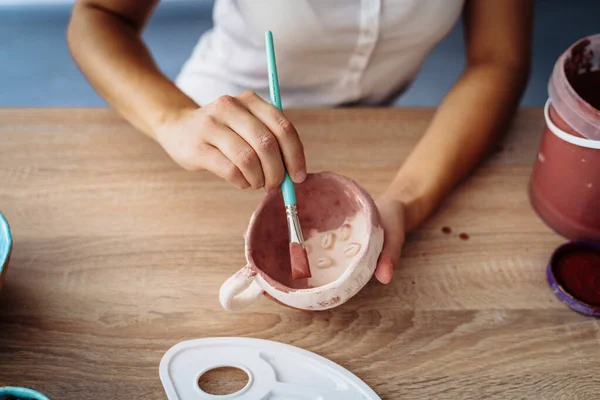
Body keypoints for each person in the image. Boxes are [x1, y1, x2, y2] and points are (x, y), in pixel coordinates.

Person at [67, 0, 533, 284]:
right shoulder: (189, 123)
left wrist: (406, 201)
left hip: (377, 135)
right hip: (213, 137)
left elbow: (499, 60)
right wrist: (172, 118)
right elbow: (97, 16)